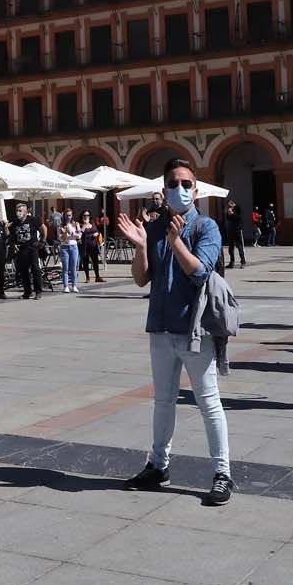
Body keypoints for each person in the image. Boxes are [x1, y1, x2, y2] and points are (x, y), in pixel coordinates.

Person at [117, 158, 233, 506]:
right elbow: (141, 278)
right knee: (163, 401)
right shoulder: (154, 228)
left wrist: (177, 240)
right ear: (164, 190)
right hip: (161, 328)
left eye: (186, 183)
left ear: (196, 191)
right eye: (173, 183)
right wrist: (141, 246)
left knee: (208, 401)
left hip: (195, 330)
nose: (179, 189)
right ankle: (158, 465)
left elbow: (199, 272)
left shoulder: (206, 227)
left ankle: (222, 472)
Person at [10, 202, 42, 299]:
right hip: (22, 248)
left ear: (25, 212)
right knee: (23, 271)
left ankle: (38, 291)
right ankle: (27, 292)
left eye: (20, 211)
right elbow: (12, 235)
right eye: (17, 211)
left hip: (32, 248)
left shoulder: (33, 220)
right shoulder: (15, 222)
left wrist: (42, 241)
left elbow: (43, 228)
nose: (18, 213)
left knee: (35, 269)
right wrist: (14, 244)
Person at [56, 209, 81, 292]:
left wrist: (74, 234)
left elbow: (80, 235)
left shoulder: (75, 224)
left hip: (74, 246)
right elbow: (61, 239)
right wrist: (65, 232)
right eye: (67, 215)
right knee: (65, 268)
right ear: (64, 216)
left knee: (74, 267)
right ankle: (66, 286)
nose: (68, 217)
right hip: (64, 247)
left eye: (70, 215)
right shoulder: (60, 226)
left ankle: (74, 285)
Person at [79, 209, 104, 283]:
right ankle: (87, 277)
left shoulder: (92, 224)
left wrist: (97, 234)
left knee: (95, 261)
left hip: (94, 245)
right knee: (85, 262)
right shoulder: (80, 225)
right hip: (85, 246)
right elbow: (80, 235)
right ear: (82, 216)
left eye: (88, 215)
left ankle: (97, 276)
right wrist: (84, 225)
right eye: (85, 215)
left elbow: (97, 230)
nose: (86, 217)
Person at [222, 198, 246, 267]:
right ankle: (231, 262)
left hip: (238, 230)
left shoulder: (238, 208)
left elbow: (239, 218)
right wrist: (228, 213)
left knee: (240, 246)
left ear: (233, 203)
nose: (229, 207)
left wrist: (232, 214)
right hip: (231, 230)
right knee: (231, 247)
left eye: (229, 205)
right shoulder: (230, 209)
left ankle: (243, 262)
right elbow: (228, 219)